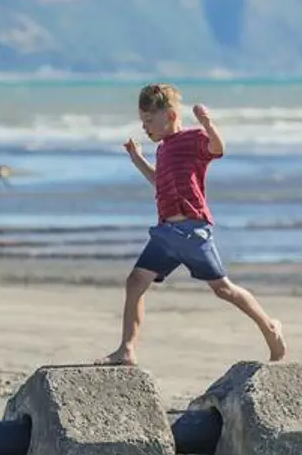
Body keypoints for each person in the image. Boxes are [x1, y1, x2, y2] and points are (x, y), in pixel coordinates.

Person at [97, 83, 286, 366]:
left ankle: (269, 325)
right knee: (135, 282)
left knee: (223, 289)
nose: (145, 128)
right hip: (165, 236)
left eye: (149, 121)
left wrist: (207, 123)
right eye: (142, 122)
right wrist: (137, 159)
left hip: (192, 231)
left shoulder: (192, 139)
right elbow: (159, 182)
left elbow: (217, 148)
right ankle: (127, 349)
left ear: (171, 116)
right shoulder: (162, 150)